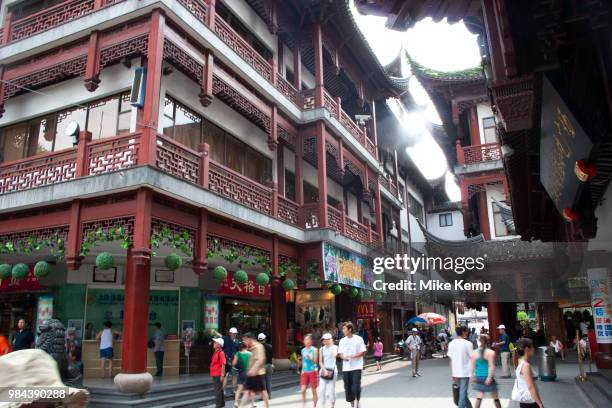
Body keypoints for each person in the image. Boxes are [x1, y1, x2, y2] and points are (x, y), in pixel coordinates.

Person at [337, 322, 367, 408]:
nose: (343, 330)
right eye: (342, 329)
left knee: (356, 385)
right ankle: (352, 403)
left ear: (350, 329)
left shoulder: (358, 339)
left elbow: (363, 351)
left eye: (344, 329)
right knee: (348, 386)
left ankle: (357, 399)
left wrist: (354, 356)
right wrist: (344, 357)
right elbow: (340, 353)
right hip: (346, 367)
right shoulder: (342, 341)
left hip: (357, 366)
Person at [470, 334, 501, 408]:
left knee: (479, 395)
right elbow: (491, 366)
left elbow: (472, 366)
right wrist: (489, 377)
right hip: (487, 376)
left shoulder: (473, 353)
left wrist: (472, 376)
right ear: (488, 342)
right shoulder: (491, 352)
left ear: (479, 341)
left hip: (479, 376)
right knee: (495, 396)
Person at [512, 338, 544, 408]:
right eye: (532, 347)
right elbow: (530, 386)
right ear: (527, 349)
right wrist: (540, 403)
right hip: (530, 400)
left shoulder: (519, 361)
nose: (533, 349)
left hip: (524, 401)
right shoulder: (525, 365)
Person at [448, 326, 474, 408]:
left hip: (456, 372)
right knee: (462, 392)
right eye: (466, 331)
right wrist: (473, 373)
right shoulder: (468, 344)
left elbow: (451, 360)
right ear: (463, 332)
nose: (468, 332)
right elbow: (472, 359)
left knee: (462, 392)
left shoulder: (451, 343)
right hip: (465, 372)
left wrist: (452, 373)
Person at [241, 332, 269, 408]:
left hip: (258, 373)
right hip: (251, 373)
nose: (244, 342)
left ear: (249, 339)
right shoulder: (251, 348)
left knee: (262, 392)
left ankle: (267, 406)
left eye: (245, 340)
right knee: (247, 391)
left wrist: (253, 370)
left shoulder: (258, 347)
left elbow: (260, 360)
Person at [214, 327, 241, 393]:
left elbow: (239, 351)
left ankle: (234, 390)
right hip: (226, 361)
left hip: (234, 361)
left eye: (235, 334)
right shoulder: (226, 339)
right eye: (233, 333)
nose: (234, 335)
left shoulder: (237, 342)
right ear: (230, 333)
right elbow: (220, 336)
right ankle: (223, 390)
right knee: (226, 375)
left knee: (234, 376)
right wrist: (214, 332)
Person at [318, 332, 338, 408]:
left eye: (326, 339)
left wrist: (332, 346)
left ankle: (332, 405)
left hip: (333, 370)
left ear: (330, 340)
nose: (324, 341)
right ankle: (323, 405)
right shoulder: (321, 349)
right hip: (324, 370)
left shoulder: (335, 347)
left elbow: (334, 355)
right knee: (321, 389)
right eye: (323, 340)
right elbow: (320, 362)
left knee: (331, 389)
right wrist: (324, 370)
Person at [299, 334, 319, 407]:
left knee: (313, 390)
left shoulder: (315, 350)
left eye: (307, 339)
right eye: (305, 340)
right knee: (303, 390)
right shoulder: (303, 350)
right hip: (305, 372)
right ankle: (304, 405)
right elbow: (303, 361)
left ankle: (314, 406)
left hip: (313, 371)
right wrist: (302, 371)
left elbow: (315, 362)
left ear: (311, 341)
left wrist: (310, 358)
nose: (306, 341)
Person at [233, 342, 251, 407]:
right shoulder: (250, 353)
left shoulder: (237, 353)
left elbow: (234, 363)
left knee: (239, 389)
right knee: (249, 389)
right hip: (248, 373)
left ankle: (236, 402)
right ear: (246, 346)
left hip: (241, 373)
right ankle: (251, 403)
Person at [210, 337, 226, 408]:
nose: (214, 343)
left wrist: (222, 375)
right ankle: (222, 403)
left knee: (217, 390)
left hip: (218, 374)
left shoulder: (221, 353)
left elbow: (223, 364)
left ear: (219, 345)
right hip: (215, 373)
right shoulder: (216, 352)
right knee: (219, 389)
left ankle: (218, 405)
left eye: (215, 342)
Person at [258, 333, 274, 399]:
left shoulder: (258, 348)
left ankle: (263, 396)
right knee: (269, 381)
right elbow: (272, 356)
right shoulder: (270, 346)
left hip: (261, 366)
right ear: (265, 338)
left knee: (262, 382)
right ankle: (269, 395)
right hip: (269, 365)